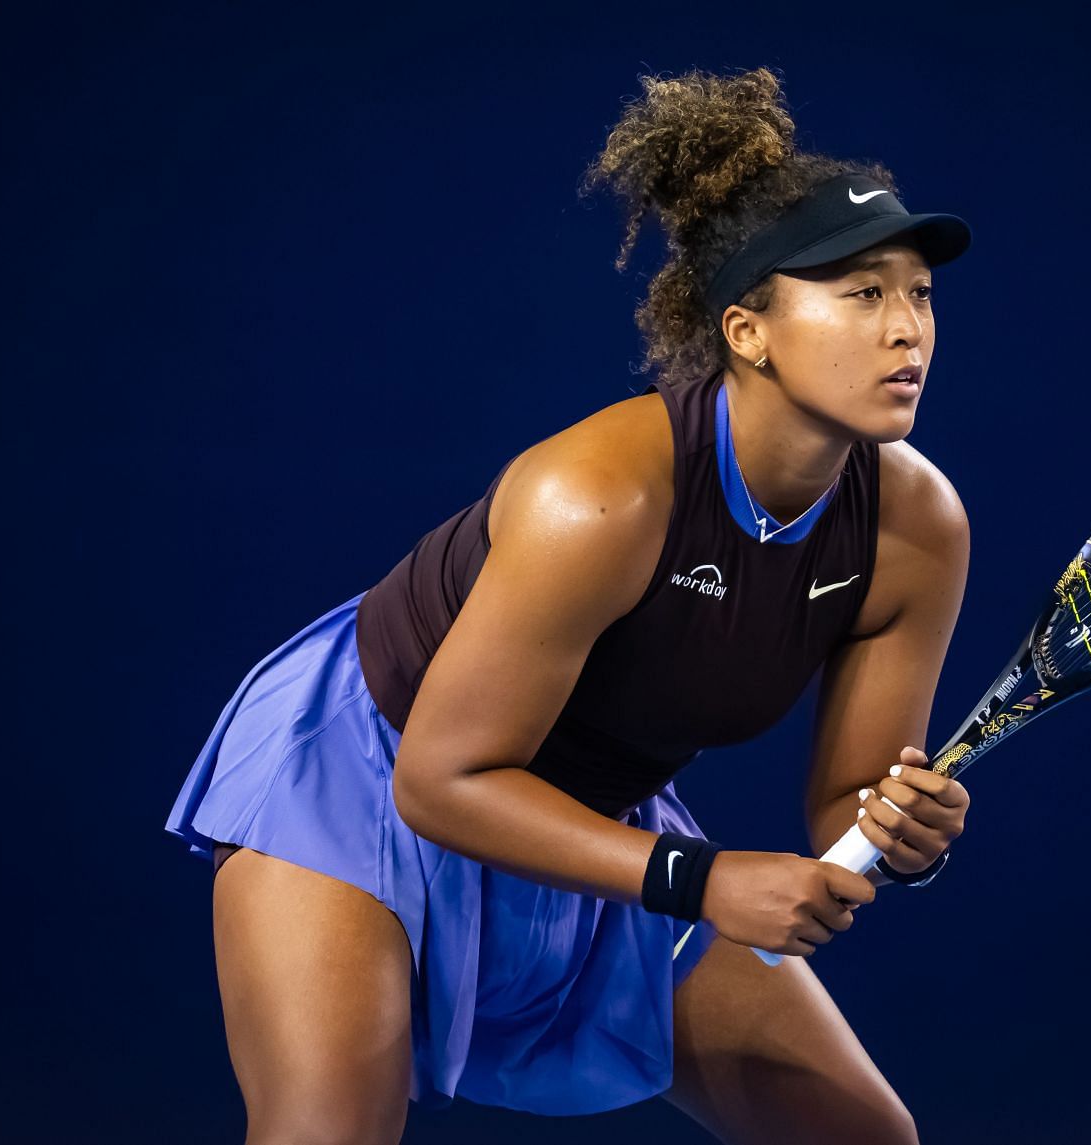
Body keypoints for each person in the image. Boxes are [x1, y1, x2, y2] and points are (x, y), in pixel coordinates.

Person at [165, 66, 974, 1145]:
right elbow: (441, 780)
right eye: (862, 292)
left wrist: (902, 833)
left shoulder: (917, 527)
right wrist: (702, 879)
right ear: (748, 332)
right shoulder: (600, 495)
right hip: (370, 769)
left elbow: (848, 808)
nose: (907, 329)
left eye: (919, 291)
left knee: (859, 1133)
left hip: (595, 807)